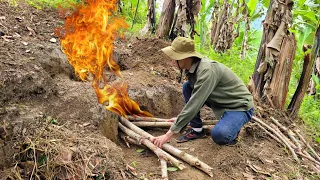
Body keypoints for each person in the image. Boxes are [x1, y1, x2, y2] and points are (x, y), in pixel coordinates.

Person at [151, 37, 254, 148]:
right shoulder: (193, 68)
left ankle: (233, 130)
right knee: (187, 86)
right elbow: (194, 99)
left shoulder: (206, 71)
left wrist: (168, 135)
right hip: (221, 101)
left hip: (239, 106)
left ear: (186, 57)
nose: (172, 61)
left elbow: (195, 103)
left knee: (220, 135)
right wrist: (182, 120)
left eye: (175, 57)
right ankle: (197, 129)